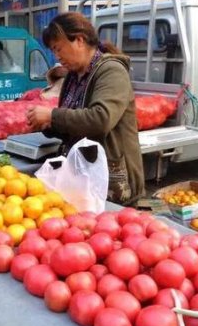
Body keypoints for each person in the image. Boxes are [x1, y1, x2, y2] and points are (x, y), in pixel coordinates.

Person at [26, 12, 145, 206]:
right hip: (84, 176)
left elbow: (101, 119)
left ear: (79, 40)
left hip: (112, 181)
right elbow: (74, 125)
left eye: (58, 48)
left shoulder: (111, 71)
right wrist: (47, 125)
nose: (57, 56)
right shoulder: (72, 77)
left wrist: (52, 115)